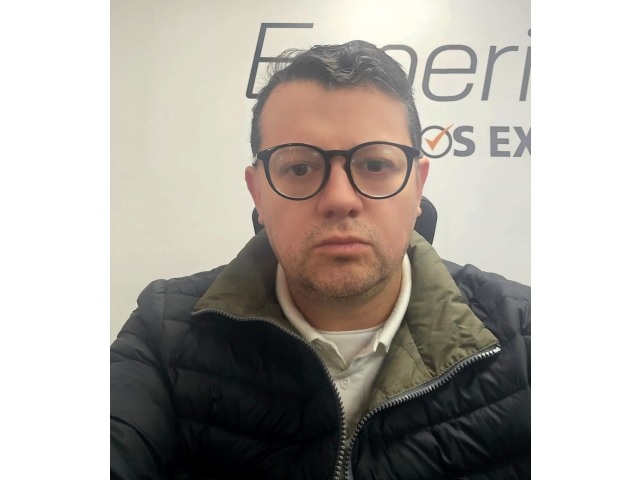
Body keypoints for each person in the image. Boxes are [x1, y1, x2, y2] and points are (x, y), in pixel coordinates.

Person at [110, 40, 531, 479]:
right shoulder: (165, 331)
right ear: (258, 193)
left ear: (418, 186)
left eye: (374, 165)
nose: (339, 199)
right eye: (299, 168)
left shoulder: (527, 336)